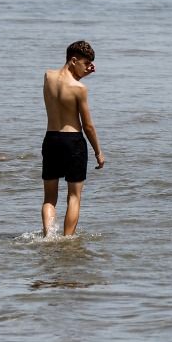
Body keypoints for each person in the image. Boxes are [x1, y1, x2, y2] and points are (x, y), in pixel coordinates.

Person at [41, 40, 105, 237]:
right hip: (73, 142)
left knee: (49, 199)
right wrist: (98, 152)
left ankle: (49, 238)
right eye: (86, 64)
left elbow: (63, 84)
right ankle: (67, 240)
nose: (88, 68)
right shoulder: (79, 88)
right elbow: (88, 125)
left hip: (51, 139)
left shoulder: (48, 76)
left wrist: (81, 72)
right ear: (73, 60)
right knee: (74, 197)